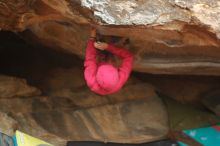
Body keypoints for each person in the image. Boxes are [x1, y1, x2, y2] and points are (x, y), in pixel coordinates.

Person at [84, 28, 134, 95]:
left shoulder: (91, 80)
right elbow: (129, 57)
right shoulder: (119, 81)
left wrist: (92, 38)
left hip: (99, 59)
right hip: (109, 60)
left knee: (97, 46)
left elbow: (90, 59)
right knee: (116, 48)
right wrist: (109, 47)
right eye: (109, 64)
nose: (107, 62)